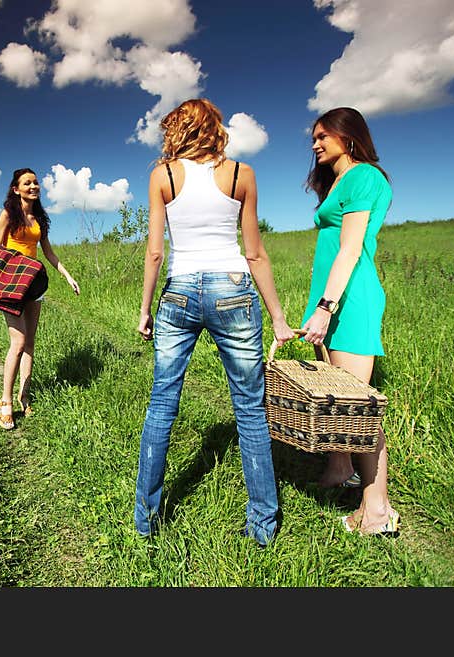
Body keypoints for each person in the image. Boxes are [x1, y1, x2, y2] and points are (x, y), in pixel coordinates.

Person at [135, 98, 295, 545]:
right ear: (215, 128)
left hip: (180, 290)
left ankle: (145, 521)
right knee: (250, 408)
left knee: (163, 402)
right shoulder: (242, 173)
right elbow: (255, 252)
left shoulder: (162, 175)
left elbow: (154, 252)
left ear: (177, 129)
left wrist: (146, 309)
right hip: (233, 290)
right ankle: (263, 527)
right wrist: (278, 318)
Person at [300, 106, 399, 536]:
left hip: (348, 301)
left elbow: (351, 247)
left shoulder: (363, 176)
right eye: (314, 137)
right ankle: (340, 469)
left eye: (324, 135)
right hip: (330, 299)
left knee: (358, 410)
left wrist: (326, 307)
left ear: (349, 137)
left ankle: (377, 511)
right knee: (336, 399)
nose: (316, 143)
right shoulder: (339, 181)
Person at [0, 168, 80, 430]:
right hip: (11, 283)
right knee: (17, 342)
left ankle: (24, 395)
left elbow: (49, 253)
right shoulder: (9, 213)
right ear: (16, 189)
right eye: (27, 183)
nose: (33, 186)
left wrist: (67, 275)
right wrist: (0, 278)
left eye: (36, 182)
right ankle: (5, 401)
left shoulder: (40, 217)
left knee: (30, 341)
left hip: (34, 283)